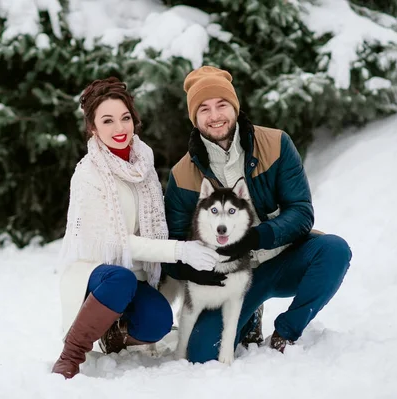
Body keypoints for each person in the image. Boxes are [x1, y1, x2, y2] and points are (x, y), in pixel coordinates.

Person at [163, 66, 352, 362]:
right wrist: (199, 270)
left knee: (334, 251)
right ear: (194, 118)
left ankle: (286, 333)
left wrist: (255, 237)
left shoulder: (276, 144)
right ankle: (248, 316)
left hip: (282, 260)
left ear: (235, 107)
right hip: (228, 278)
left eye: (222, 104)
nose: (215, 116)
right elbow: (174, 248)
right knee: (201, 355)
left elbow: (301, 212)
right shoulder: (182, 174)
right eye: (204, 109)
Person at [52, 77, 223, 379]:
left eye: (125, 117)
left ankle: (113, 334)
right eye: (107, 121)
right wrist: (180, 251)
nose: (120, 128)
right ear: (92, 127)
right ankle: (71, 354)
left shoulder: (143, 161)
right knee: (120, 280)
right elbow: (119, 243)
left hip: (137, 274)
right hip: (98, 272)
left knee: (156, 322)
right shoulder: (88, 174)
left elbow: (157, 221)